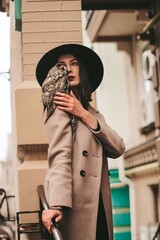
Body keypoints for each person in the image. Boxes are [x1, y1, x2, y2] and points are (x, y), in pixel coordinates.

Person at [36, 44, 125, 240]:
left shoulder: (92, 113)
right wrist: (56, 205)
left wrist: (82, 113)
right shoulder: (59, 108)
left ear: (82, 70)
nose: (68, 69)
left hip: (98, 202)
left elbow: (118, 147)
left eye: (74, 64)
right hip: (75, 206)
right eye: (61, 66)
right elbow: (59, 157)